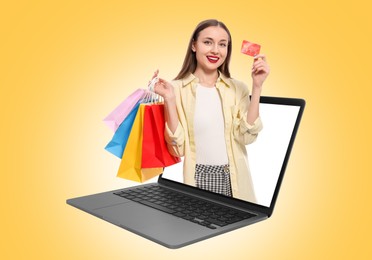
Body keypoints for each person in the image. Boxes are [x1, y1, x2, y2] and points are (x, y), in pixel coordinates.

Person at [153, 19, 270, 202]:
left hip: (234, 179)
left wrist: (257, 87)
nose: (215, 50)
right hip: (197, 179)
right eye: (208, 42)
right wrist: (169, 99)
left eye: (222, 44)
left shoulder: (238, 88)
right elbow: (178, 149)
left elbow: (246, 137)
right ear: (194, 45)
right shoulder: (175, 89)